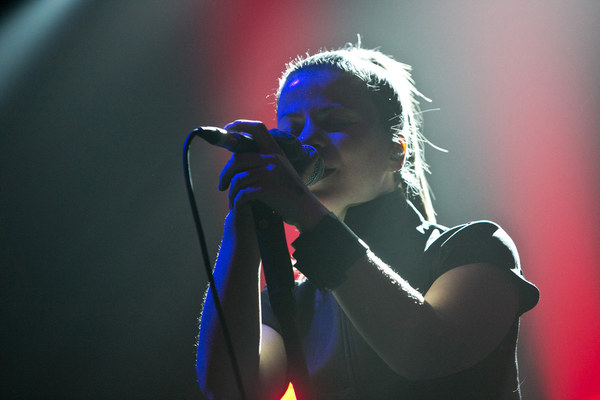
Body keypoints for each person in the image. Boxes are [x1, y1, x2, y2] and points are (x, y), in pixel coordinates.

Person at [195, 43, 539, 399]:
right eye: (292, 129)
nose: (307, 140)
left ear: (396, 151)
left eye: (335, 122)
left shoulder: (475, 247)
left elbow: (425, 351)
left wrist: (302, 207)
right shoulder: (289, 302)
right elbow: (231, 389)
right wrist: (243, 226)